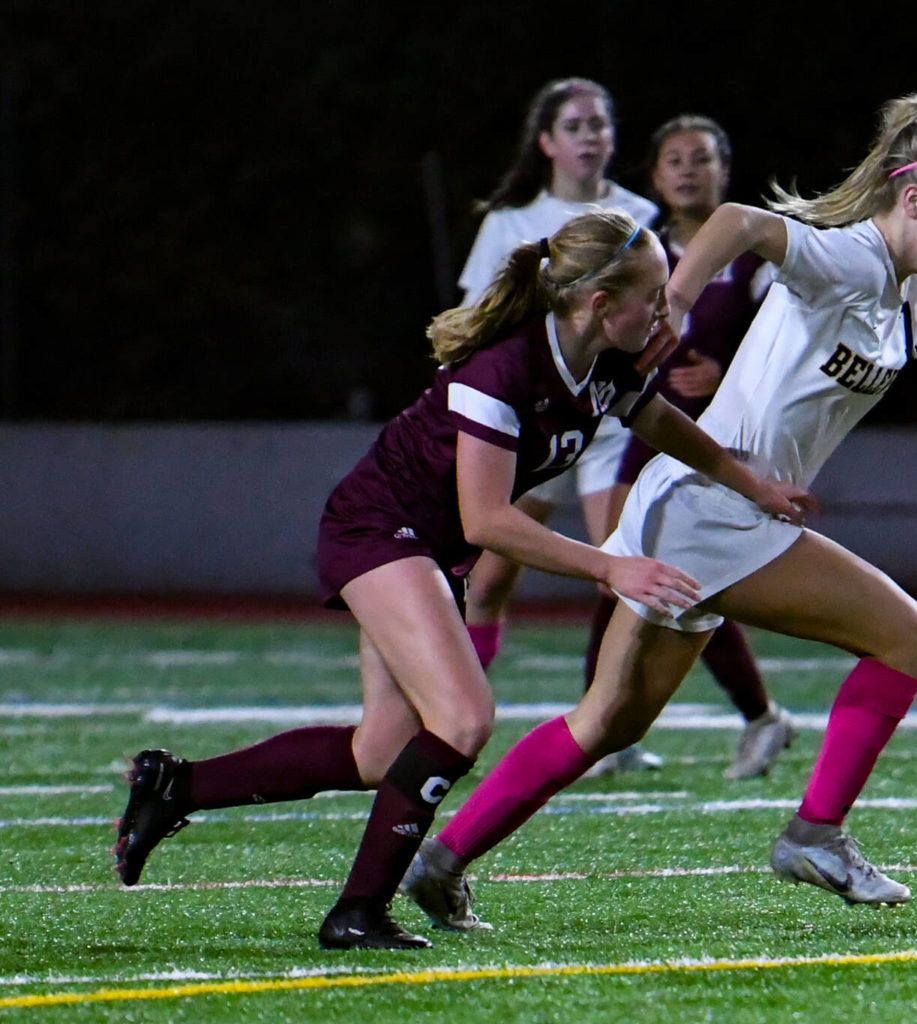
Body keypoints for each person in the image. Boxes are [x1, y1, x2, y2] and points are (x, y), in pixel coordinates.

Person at [403, 93, 917, 933]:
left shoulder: (910, 296)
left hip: (703, 515)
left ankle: (442, 859)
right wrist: (677, 301)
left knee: (608, 722)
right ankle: (816, 833)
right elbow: (736, 221)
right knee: (910, 637)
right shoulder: (847, 260)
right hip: (711, 512)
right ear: (911, 199)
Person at [111, 210, 812, 950]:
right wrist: (611, 564)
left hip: (424, 542)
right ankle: (357, 912)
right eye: (656, 297)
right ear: (601, 303)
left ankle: (175, 787)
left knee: (380, 753)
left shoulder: (602, 356)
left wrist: (748, 483)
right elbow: (487, 522)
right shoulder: (503, 368)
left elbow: (657, 420)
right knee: (464, 718)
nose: (668, 314)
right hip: (378, 529)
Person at [584, 114, 792, 780]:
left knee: (693, 580)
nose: (686, 170)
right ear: (654, 176)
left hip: (723, 440)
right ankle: (604, 729)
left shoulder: (758, 255)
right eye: (673, 159)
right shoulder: (642, 250)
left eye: (700, 159)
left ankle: (759, 717)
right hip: (648, 428)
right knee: (615, 569)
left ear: (724, 171)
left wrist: (725, 376)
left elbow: (788, 348)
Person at [455, 77, 656, 722]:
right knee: (487, 581)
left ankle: (601, 721)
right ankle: (454, 704)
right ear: (545, 142)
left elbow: (661, 319)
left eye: (600, 124)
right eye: (575, 125)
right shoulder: (509, 225)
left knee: (623, 570)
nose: (591, 137)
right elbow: (474, 322)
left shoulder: (639, 218)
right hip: (535, 426)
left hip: (606, 418)